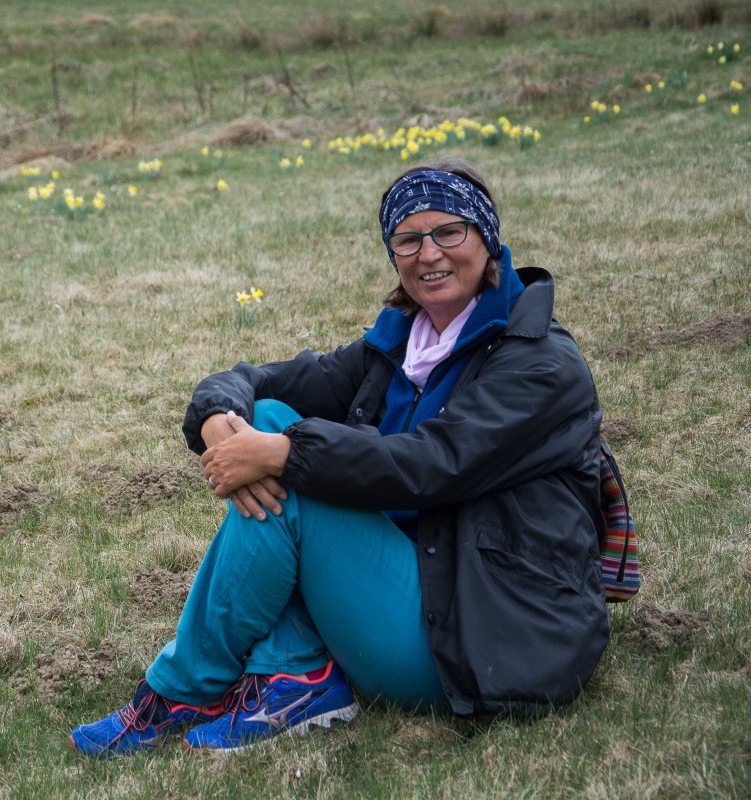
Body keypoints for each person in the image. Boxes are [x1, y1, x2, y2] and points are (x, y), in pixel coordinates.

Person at [70, 158, 610, 756]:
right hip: (419, 582)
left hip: (486, 640)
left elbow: (433, 464)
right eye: (408, 238)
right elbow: (266, 383)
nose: (429, 253)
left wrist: (280, 452)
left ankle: (185, 688)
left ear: (487, 239)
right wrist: (218, 420)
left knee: (291, 459)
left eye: (449, 232)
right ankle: (298, 674)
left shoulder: (539, 362)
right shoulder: (404, 341)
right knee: (272, 421)